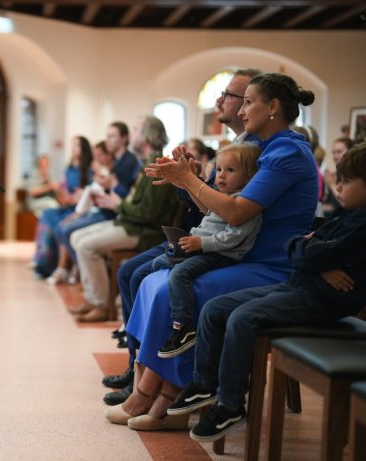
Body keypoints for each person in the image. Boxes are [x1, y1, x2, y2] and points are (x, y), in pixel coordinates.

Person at [105, 72, 317, 432]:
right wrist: (191, 178)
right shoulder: (262, 148)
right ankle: (148, 387)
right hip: (242, 254)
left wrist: (188, 181)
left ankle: (167, 400)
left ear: (274, 107)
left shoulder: (287, 151)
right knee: (155, 280)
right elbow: (224, 209)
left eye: (249, 101)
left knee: (185, 286)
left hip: (271, 265)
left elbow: (236, 211)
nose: (244, 109)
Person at [169, 142, 366, 442]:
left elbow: (306, 251)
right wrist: (316, 257)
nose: (337, 186)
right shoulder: (345, 216)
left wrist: (313, 255)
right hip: (300, 285)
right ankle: (204, 384)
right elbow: (297, 246)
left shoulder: (361, 225)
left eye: (347, 181)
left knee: (242, 318)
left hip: (320, 301)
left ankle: (231, 404)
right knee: (215, 308)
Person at [102, 68, 261, 406]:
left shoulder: (256, 153)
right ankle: (137, 366)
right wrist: (190, 179)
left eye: (234, 96)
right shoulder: (237, 147)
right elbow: (207, 207)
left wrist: (189, 181)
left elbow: (229, 215)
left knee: (145, 273)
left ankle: (153, 371)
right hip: (197, 233)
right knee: (132, 271)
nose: (220, 99)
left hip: (209, 242)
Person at [151, 143, 262, 358]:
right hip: (203, 247)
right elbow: (207, 209)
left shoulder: (246, 204)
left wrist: (202, 244)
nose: (221, 176)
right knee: (158, 263)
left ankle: (183, 326)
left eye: (230, 170)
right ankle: (164, 312)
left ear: (249, 176)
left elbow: (234, 237)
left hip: (221, 255)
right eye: (219, 169)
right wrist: (187, 184)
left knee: (180, 274)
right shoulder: (223, 197)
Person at [68, 116, 180, 322]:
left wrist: (117, 204)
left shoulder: (158, 165)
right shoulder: (147, 163)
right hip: (131, 224)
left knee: (86, 246)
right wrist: (116, 201)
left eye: (136, 130)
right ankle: (93, 299)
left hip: (144, 232)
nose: (132, 135)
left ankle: (101, 304)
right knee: (76, 237)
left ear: (146, 136)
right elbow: (136, 203)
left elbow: (148, 213)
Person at [47, 124, 140, 284]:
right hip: (104, 210)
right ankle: (87, 275)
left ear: (124, 139)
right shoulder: (119, 161)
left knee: (69, 231)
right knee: (63, 228)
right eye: (107, 135)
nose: (107, 139)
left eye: (112, 136)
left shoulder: (128, 161)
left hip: (113, 215)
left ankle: (92, 280)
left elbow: (123, 194)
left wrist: (109, 185)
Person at [32, 136, 92, 278]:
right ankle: (42, 261)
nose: (72, 148)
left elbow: (89, 193)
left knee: (63, 224)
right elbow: (62, 190)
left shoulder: (89, 170)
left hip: (80, 209)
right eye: (72, 145)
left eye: (76, 145)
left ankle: (60, 267)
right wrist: (63, 195)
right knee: (47, 214)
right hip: (66, 206)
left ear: (83, 149)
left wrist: (76, 199)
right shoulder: (68, 169)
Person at [322, 136, 355, 218]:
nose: (335, 156)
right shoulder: (335, 174)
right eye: (333, 152)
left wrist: (331, 184)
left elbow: (349, 202)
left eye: (339, 151)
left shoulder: (354, 174)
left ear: (350, 151)